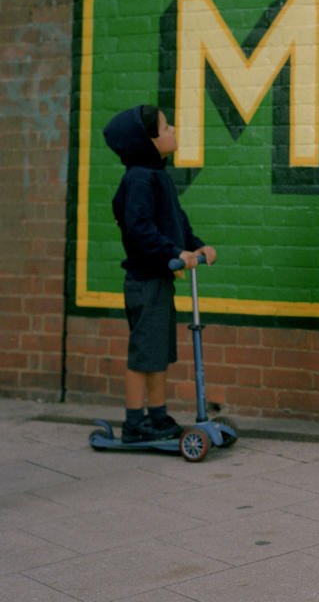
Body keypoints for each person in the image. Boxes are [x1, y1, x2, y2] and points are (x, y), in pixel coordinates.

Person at [103, 104, 217, 443]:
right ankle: (135, 423)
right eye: (165, 128)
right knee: (143, 355)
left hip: (161, 279)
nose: (172, 131)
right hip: (145, 281)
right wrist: (174, 253)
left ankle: (157, 415)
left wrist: (195, 246)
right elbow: (140, 229)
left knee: (158, 352)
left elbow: (176, 222)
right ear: (145, 141)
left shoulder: (157, 176)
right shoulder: (138, 179)